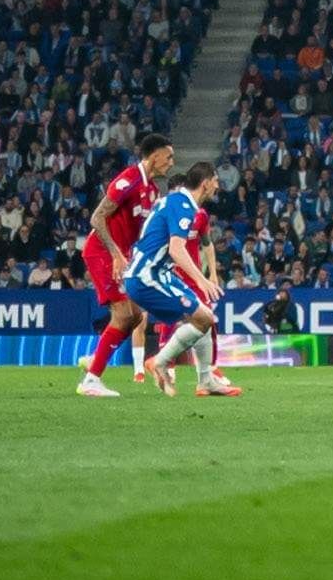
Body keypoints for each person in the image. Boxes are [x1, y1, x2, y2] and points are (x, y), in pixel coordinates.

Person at [120, 161, 240, 397]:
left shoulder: (179, 203)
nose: (218, 186)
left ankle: (205, 381)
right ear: (205, 184)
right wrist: (203, 280)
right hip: (147, 276)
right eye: (215, 181)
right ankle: (160, 362)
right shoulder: (183, 205)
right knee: (201, 317)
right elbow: (176, 248)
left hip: (156, 273)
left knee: (204, 316)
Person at [77, 133, 175, 395]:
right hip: (101, 252)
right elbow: (97, 218)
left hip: (122, 257)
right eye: (169, 156)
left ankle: (95, 360)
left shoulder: (153, 190)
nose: (171, 163)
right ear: (154, 155)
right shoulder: (128, 180)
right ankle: (91, 381)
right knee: (123, 315)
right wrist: (117, 255)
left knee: (133, 318)